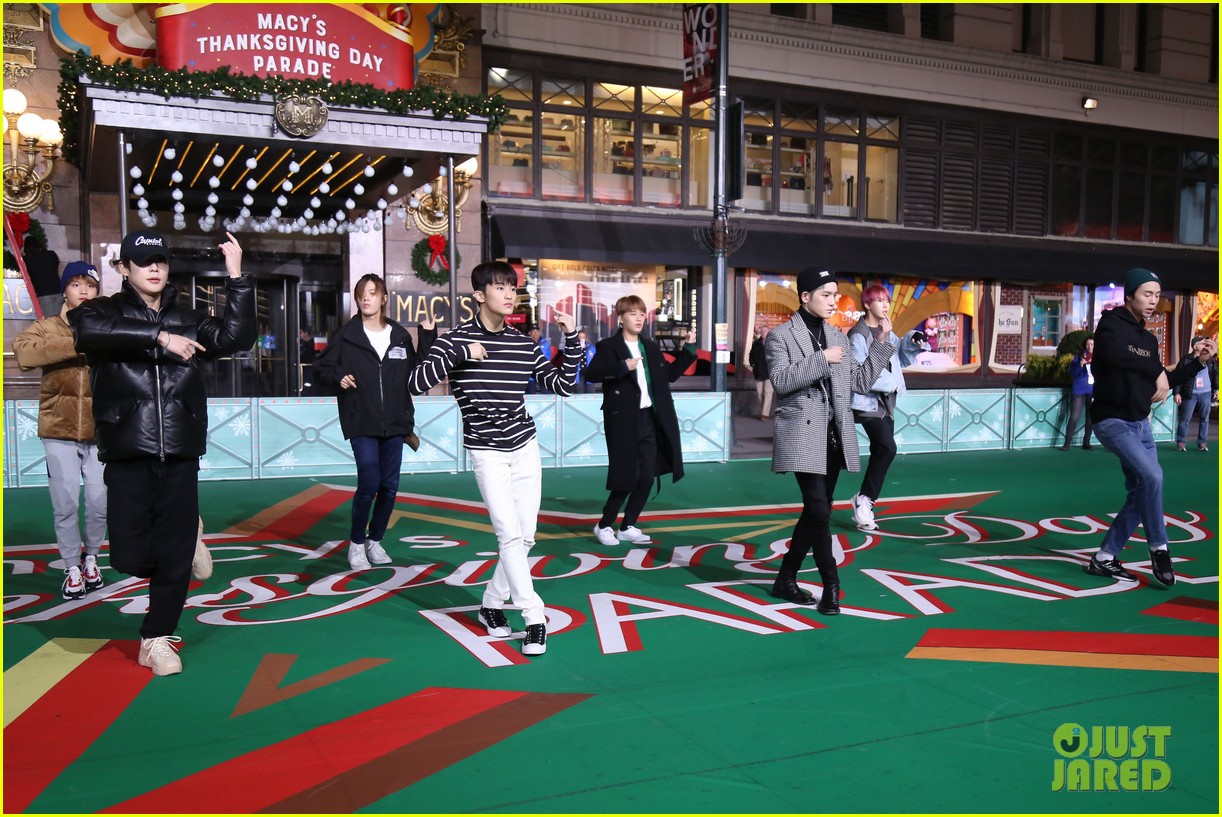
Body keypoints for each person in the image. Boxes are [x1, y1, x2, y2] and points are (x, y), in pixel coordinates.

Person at [69, 229, 256, 676]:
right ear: (123, 269)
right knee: (129, 556)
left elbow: (236, 338)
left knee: (171, 556)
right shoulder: (102, 311)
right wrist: (159, 338)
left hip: (179, 446)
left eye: (161, 260)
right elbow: (87, 331)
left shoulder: (189, 317)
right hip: (127, 445)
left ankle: (156, 638)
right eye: (143, 261)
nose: (154, 268)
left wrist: (238, 278)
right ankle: (186, 538)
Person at [409, 261, 578, 657]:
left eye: (512, 288)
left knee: (526, 535)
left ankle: (490, 603)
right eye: (500, 287)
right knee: (508, 534)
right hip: (486, 451)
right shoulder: (456, 340)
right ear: (479, 295)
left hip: (524, 446)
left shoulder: (522, 342)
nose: (508, 294)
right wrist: (458, 354)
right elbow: (415, 383)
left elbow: (562, 385)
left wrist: (571, 340)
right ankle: (534, 617)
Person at [766, 268, 895, 615]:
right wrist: (821, 360)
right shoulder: (780, 336)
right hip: (802, 435)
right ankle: (832, 586)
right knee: (820, 510)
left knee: (815, 511)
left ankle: (786, 577)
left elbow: (861, 381)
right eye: (825, 294)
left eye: (835, 294)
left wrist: (882, 342)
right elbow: (780, 380)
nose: (833, 300)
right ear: (805, 296)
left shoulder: (837, 335)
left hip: (834, 437)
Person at [1084, 268, 1216, 587]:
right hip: (1112, 420)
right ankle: (1159, 547)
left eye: (1157, 295)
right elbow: (1118, 355)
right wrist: (1156, 368)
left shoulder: (1148, 338)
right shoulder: (1111, 323)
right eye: (1147, 294)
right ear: (1129, 295)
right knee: (1153, 476)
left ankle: (1104, 558)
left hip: (1140, 424)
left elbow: (1161, 382)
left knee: (1143, 489)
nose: (1153, 300)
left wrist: (1197, 362)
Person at [313, 274, 433, 571]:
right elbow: (322, 367)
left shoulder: (400, 336)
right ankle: (356, 544)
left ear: (383, 299)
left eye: (372, 293)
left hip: (396, 422)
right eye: (362, 294)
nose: (366, 298)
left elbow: (420, 373)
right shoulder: (347, 335)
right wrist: (338, 376)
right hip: (361, 420)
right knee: (369, 482)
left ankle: (375, 541)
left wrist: (427, 335)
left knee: (389, 485)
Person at [13, 261, 107, 600]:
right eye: (76, 284)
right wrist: (79, 342)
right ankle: (71, 568)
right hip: (58, 429)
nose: (83, 291)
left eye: (90, 285)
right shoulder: (48, 327)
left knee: (99, 502)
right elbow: (24, 352)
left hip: (100, 433)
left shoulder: (107, 324)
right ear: (65, 290)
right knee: (65, 503)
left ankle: (92, 558)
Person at [587, 297, 697, 546]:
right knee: (626, 476)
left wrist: (688, 349)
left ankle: (628, 526)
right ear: (620, 317)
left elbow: (668, 375)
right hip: (623, 420)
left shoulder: (650, 347)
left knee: (647, 476)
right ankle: (605, 525)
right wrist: (621, 367)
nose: (638, 318)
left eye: (642, 314)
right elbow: (591, 374)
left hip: (650, 418)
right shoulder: (608, 347)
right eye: (632, 313)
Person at [846, 284, 928, 530]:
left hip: (885, 402)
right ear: (867, 304)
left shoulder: (887, 330)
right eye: (879, 300)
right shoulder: (858, 334)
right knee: (887, 447)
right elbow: (860, 373)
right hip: (867, 402)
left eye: (886, 300)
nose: (884, 305)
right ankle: (865, 500)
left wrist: (912, 339)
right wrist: (891, 383)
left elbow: (899, 358)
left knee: (882, 451)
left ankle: (864, 501)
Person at [1174, 335, 1217, 452]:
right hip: (1190, 393)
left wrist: (1216, 389)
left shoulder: (1210, 359)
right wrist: (1177, 393)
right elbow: (1179, 376)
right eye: (1202, 343)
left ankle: (1202, 443)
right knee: (1185, 418)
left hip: (1206, 392)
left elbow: (1215, 374)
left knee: (1205, 418)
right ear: (1195, 346)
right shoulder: (1186, 360)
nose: (1205, 345)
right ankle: (1181, 442)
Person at [1062, 337, 1095, 451]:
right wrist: (1080, 364)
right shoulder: (1079, 357)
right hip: (1079, 390)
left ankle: (1087, 441)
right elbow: (1072, 372)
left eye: (1092, 344)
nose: (1090, 346)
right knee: (1074, 416)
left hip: (1092, 390)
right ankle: (1067, 443)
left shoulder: (1099, 358)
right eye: (1088, 344)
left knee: (1090, 417)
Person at [22, 234, 63, 319]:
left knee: (49, 323)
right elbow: (56, 264)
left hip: (43, 295)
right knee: (60, 322)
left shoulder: (27, 260)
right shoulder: (51, 254)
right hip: (58, 292)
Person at [749, 326, 774, 420]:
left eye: (765, 331)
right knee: (760, 393)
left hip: (769, 372)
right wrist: (752, 364)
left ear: (769, 332)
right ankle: (765, 409)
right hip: (758, 372)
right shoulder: (756, 343)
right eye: (762, 331)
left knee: (768, 392)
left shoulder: (773, 343)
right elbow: (751, 355)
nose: (763, 332)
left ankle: (765, 414)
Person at [525, 325, 554, 394]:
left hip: (542, 373)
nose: (536, 333)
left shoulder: (545, 343)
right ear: (529, 333)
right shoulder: (526, 343)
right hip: (530, 374)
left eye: (537, 331)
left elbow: (548, 356)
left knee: (545, 394)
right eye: (533, 331)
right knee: (531, 394)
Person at [299, 325, 317, 396]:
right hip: (302, 368)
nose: (299, 334)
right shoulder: (301, 343)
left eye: (300, 332)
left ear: (306, 333)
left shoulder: (313, 344)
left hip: (309, 368)